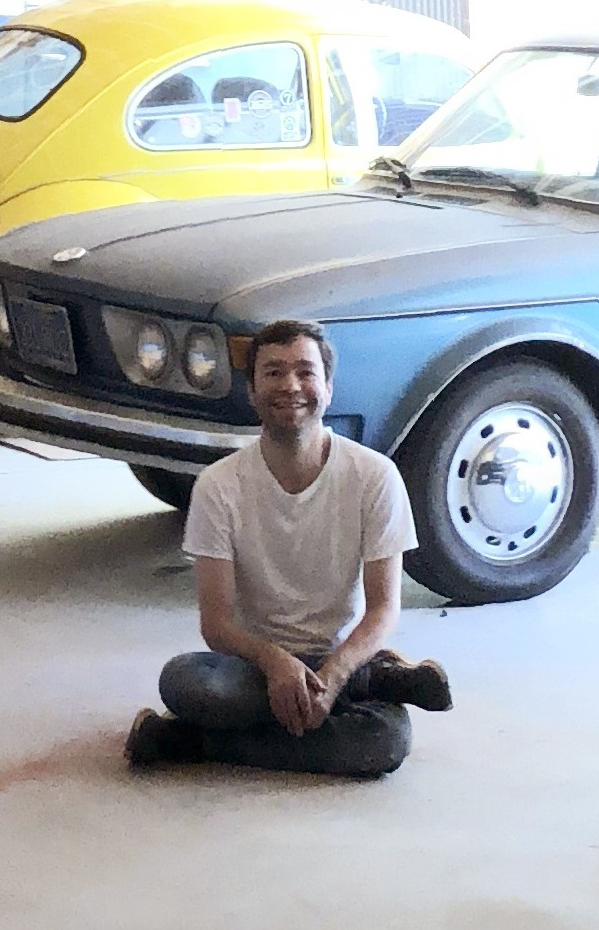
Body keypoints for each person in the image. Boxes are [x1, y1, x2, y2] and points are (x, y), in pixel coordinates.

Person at [125, 318, 450, 776]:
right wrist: (275, 663)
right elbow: (216, 625)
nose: (290, 385)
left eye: (305, 371)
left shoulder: (375, 477)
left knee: (386, 741)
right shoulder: (218, 486)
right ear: (252, 391)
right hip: (250, 668)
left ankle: (193, 741)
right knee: (185, 681)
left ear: (329, 387)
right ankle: (374, 682)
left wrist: (334, 677)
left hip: (337, 656)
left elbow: (383, 609)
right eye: (273, 372)